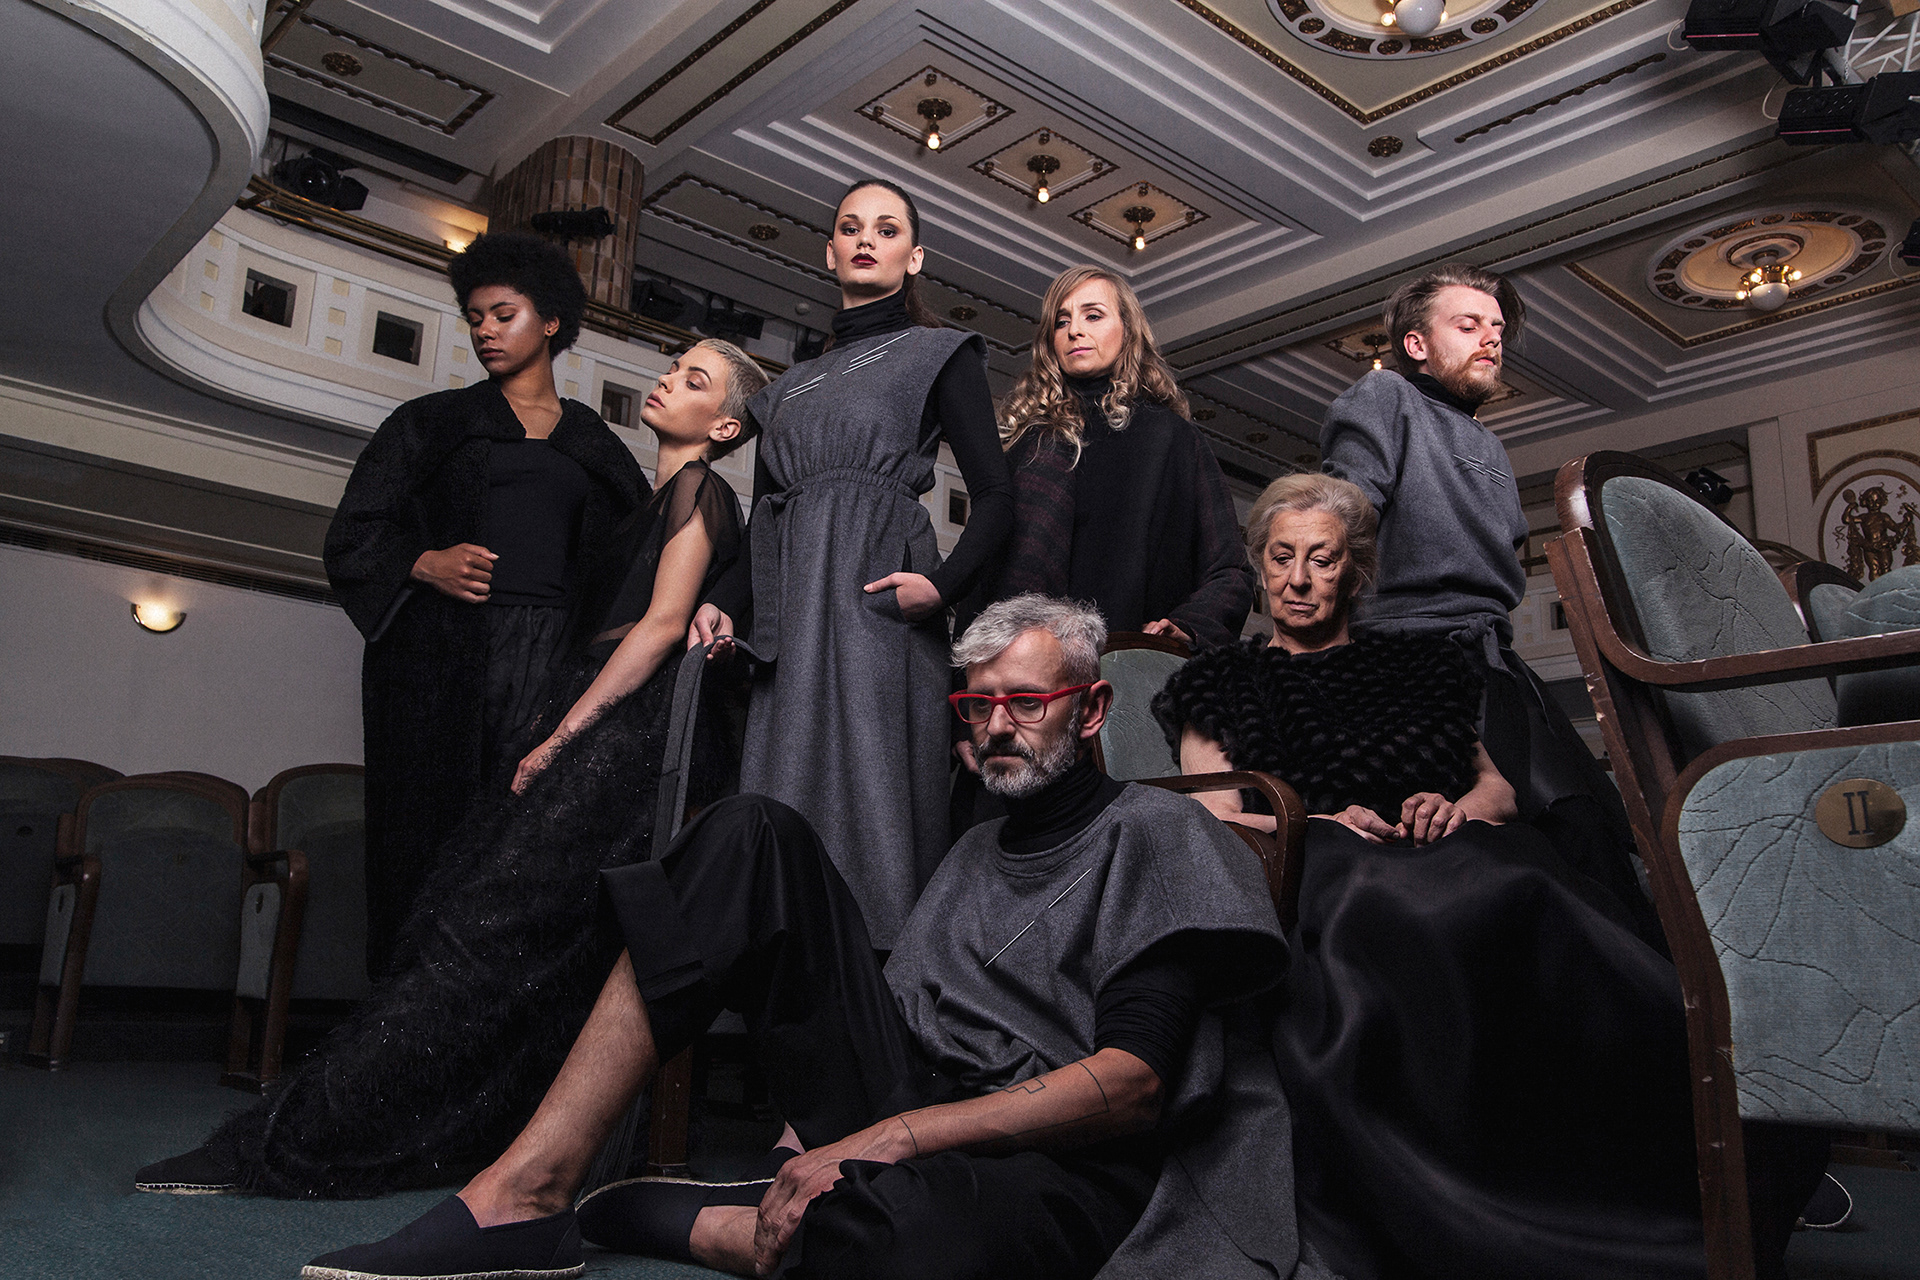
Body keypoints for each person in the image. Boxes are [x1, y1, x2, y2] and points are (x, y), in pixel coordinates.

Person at [296, 596, 1328, 1280]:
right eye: (977, 707)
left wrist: (890, 1139)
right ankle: (531, 1189)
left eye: (1027, 702)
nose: (996, 728)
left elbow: (1133, 1085)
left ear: (1092, 708)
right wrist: (830, 1131)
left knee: (906, 1244)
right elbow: (907, 1011)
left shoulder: (1158, 833)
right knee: (750, 829)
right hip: (922, 1098)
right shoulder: (977, 849)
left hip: (1063, 1156)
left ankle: (735, 1229)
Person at [133, 341, 766, 1200]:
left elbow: (659, 628)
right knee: (462, 925)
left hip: (629, 731)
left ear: (724, 427)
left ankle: (312, 1136)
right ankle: (364, 1127)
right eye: (673, 366)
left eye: (694, 380)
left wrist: (561, 737)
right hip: (593, 710)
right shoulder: (642, 500)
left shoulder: (700, 489)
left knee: (483, 936)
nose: (666, 380)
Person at [1152, 473, 1819, 1280]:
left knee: (1532, 889)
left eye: (1321, 559)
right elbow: (1216, 812)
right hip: (1321, 862)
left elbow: (1497, 791)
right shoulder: (1219, 681)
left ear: (1354, 572)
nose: (1298, 579)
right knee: (1405, 906)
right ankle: (1487, 1212)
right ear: (1260, 565)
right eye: (1281, 557)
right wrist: (1322, 822)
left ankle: (1711, 1159)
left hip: (1450, 846)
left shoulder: (1419, 665)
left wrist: (1451, 806)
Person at [689, 178, 1013, 949]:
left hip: (878, 614)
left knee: (876, 817)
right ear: (830, 252)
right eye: (851, 227)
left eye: (887, 229)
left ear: (914, 257)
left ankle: (882, 998)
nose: (867, 239)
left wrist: (941, 587)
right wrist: (722, 599)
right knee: (784, 800)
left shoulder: (940, 354)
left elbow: (1000, 499)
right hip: (793, 628)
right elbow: (765, 518)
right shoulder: (784, 392)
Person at [325, 233, 647, 977]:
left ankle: (510, 1015)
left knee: (533, 836)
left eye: (504, 315)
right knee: (431, 837)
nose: (485, 332)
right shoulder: (430, 423)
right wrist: (422, 562)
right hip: (444, 661)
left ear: (552, 322)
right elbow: (352, 534)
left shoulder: (593, 442)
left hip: (555, 660)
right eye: (475, 319)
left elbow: (634, 560)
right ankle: (404, 1015)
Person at [1317, 263, 1640, 896]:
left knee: (1587, 829)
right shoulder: (1385, 396)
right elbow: (1340, 523)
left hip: (1494, 665)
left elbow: (1508, 550)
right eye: (1468, 326)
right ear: (1417, 344)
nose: (1491, 338)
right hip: (1407, 663)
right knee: (1462, 860)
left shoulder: (1487, 443)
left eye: (1496, 328)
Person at [971, 265, 1253, 650]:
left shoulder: (1173, 439)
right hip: (1030, 660)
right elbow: (988, 574)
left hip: (1130, 659)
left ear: (1128, 330)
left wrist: (1187, 628)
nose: (1074, 330)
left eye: (1093, 316)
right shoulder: (1027, 444)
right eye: (1061, 321)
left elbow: (1230, 570)